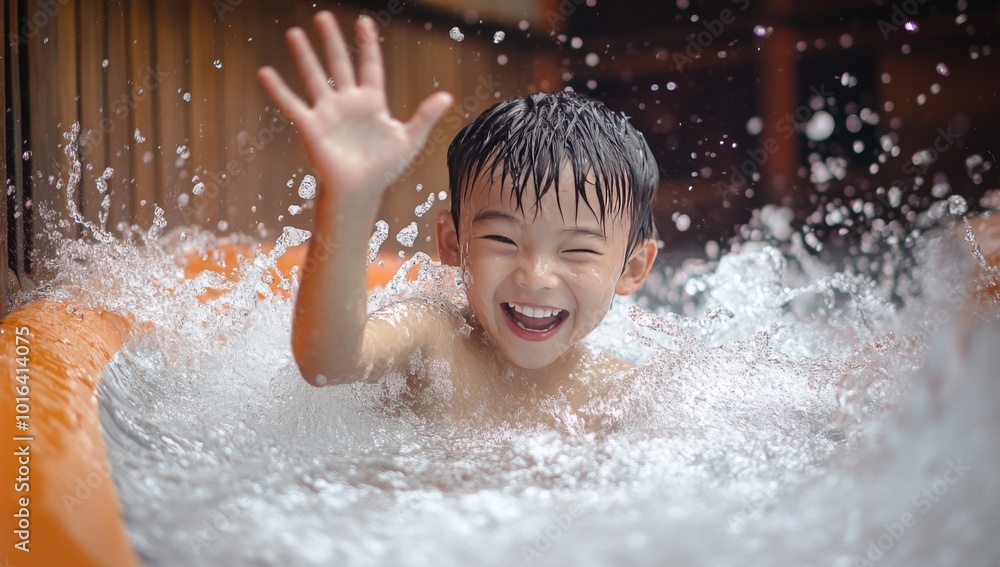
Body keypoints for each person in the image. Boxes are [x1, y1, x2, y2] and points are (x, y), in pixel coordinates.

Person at [257, 11, 660, 424]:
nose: (535, 276)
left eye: (576, 250)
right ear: (453, 243)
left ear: (632, 268)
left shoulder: (622, 394)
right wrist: (348, 201)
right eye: (502, 240)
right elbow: (328, 364)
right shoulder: (433, 336)